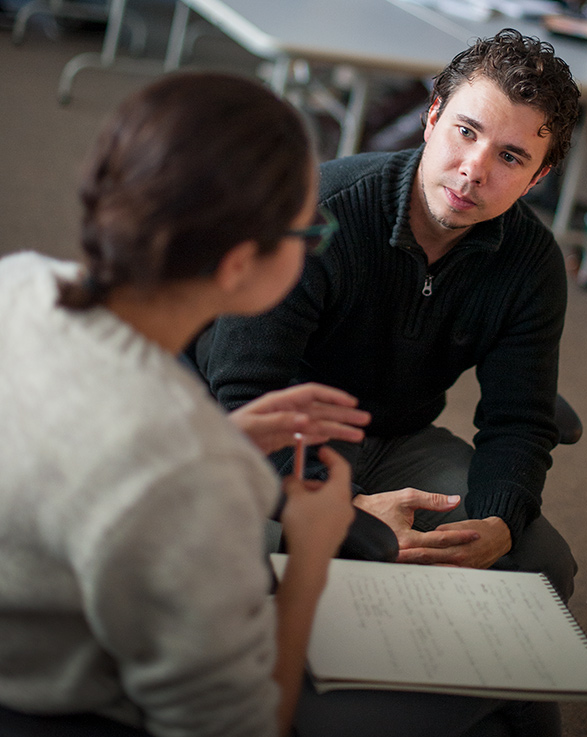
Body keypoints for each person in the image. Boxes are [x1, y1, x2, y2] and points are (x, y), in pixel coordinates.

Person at [0, 71, 368, 737]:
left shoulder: (17, 280)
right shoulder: (188, 466)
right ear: (236, 265)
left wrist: (216, 440)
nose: (315, 241)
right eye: (307, 230)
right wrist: (311, 555)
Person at [187, 28, 581, 607]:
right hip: (285, 429)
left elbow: (520, 418)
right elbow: (245, 388)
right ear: (432, 118)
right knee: (267, 553)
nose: (474, 170)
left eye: (511, 156)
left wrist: (500, 519)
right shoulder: (323, 211)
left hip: (399, 436)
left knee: (537, 564)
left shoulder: (531, 265)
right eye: (465, 132)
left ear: (538, 178)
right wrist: (339, 506)